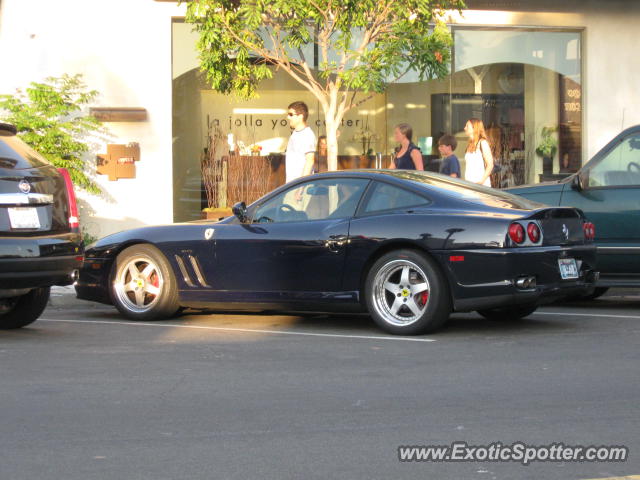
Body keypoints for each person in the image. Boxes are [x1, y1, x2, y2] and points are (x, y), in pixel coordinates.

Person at [285, 101, 316, 183]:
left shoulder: (307, 135)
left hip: (300, 189)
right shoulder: (295, 134)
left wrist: (300, 189)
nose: (288, 117)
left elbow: (310, 161)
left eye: (291, 114)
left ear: (300, 116)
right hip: (292, 186)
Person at [463, 118, 493, 186]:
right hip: (469, 185)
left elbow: (490, 164)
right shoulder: (469, 145)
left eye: (467, 126)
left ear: (474, 128)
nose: (465, 128)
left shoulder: (482, 143)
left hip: (480, 186)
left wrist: (481, 181)